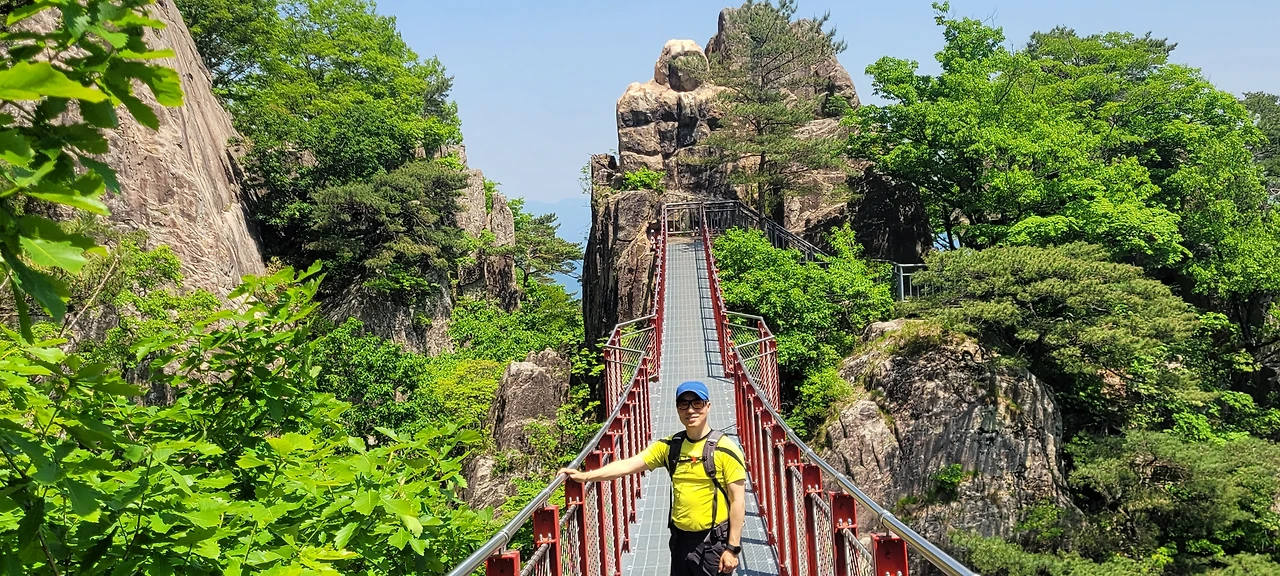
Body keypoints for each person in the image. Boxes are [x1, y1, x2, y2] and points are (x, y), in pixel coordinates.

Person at [558, 381, 747, 576]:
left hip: (713, 544)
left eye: (697, 403)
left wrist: (732, 549)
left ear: (708, 406)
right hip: (680, 542)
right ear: (677, 409)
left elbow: (738, 501)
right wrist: (586, 476)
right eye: (683, 404)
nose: (690, 410)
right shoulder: (670, 447)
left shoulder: (725, 449)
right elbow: (627, 465)